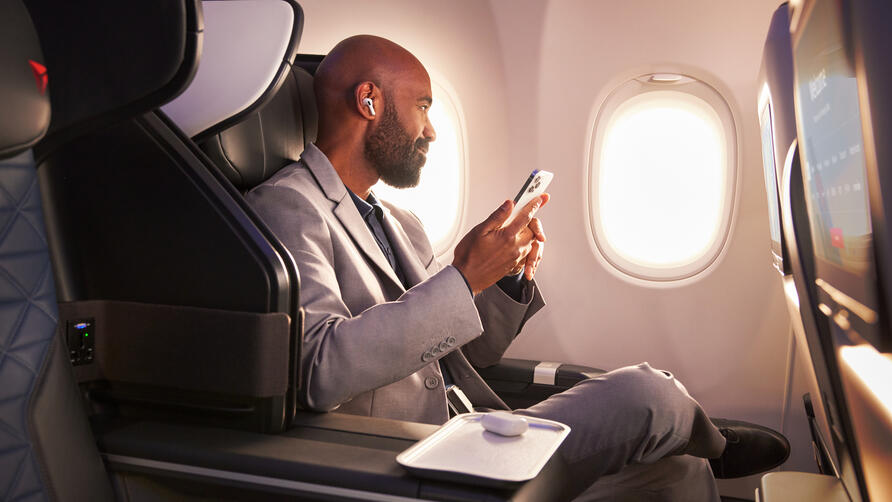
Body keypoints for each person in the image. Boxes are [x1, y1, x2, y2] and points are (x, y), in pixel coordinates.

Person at [247, 35, 788, 501]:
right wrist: (463, 280)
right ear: (369, 100)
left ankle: (699, 450)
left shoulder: (398, 221)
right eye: (423, 106)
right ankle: (712, 441)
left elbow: (461, 358)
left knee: (675, 474)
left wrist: (504, 278)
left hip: (470, 432)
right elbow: (320, 370)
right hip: (404, 454)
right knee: (645, 393)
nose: (431, 130)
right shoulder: (289, 207)